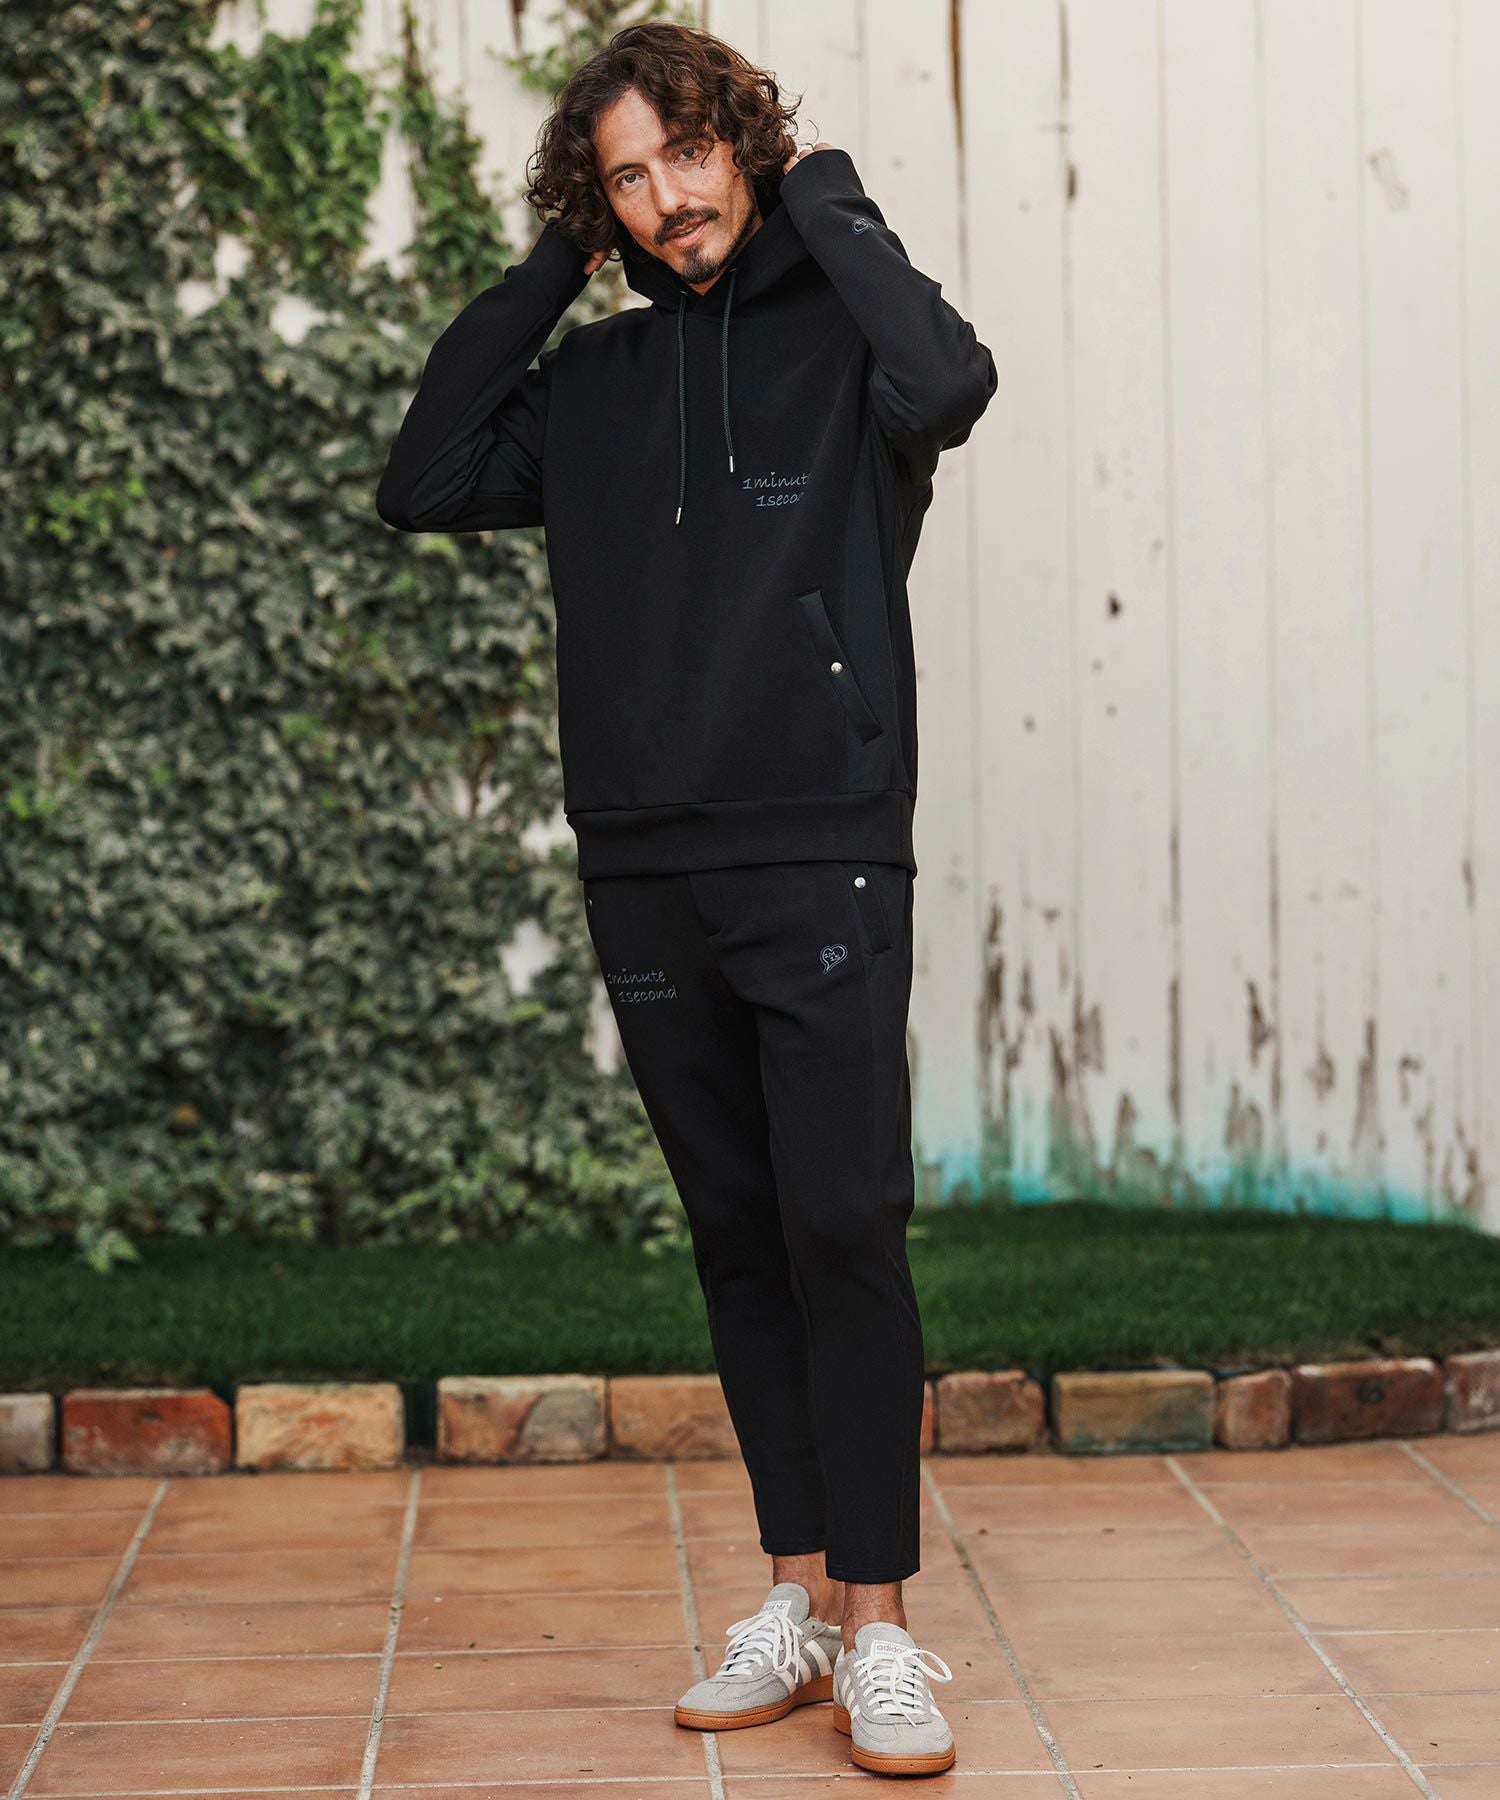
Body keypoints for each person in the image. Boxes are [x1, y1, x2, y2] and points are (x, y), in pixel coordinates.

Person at [376, 19, 994, 1779]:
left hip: (820, 843)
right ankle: (792, 1596)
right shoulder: (594, 387)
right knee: (737, 1233)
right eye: (627, 179)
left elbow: (951, 380)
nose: (667, 198)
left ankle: (881, 1625)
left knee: (842, 1224)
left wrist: (830, 196)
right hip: (644, 860)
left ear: (746, 144)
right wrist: (552, 270)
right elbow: (421, 479)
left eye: (689, 154)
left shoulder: (849, 351)